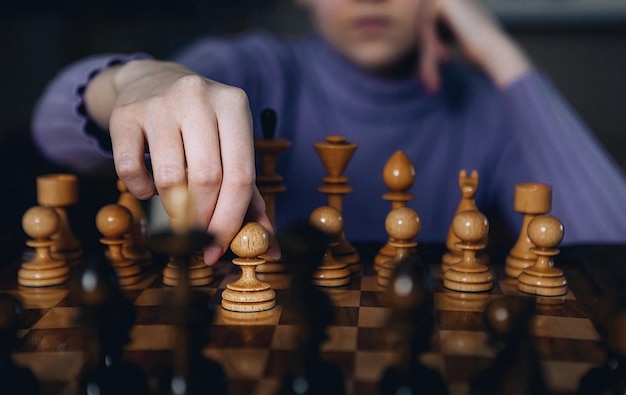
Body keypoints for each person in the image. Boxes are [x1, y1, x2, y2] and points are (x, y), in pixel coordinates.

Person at [32, 0, 626, 266]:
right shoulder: (251, 68)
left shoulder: (487, 110)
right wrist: (139, 79)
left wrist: (499, 52)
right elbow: (51, 132)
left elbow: (612, 247)